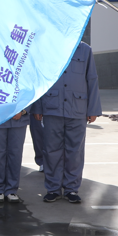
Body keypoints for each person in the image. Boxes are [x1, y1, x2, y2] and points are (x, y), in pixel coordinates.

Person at [31, 40, 101, 204]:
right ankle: (53, 189)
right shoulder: (48, 48)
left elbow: (92, 79)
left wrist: (93, 109)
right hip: (51, 107)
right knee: (51, 150)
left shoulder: (85, 50)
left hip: (77, 108)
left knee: (75, 151)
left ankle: (71, 189)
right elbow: (40, 77)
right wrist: (37, 107)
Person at [0, 110, 28, 204]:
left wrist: (22, 111)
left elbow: (30, 99)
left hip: (18, 119)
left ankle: (12, 190)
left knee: (15, 154)